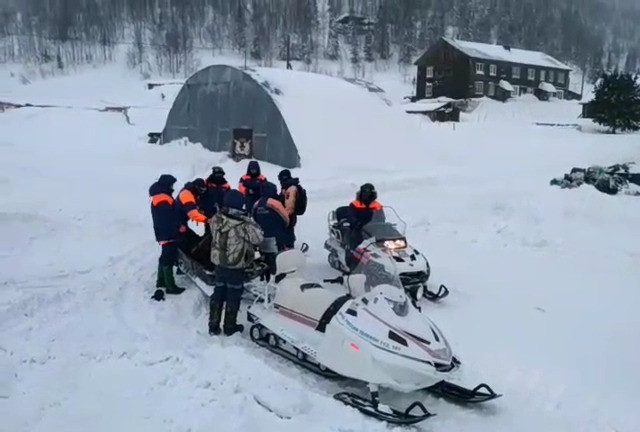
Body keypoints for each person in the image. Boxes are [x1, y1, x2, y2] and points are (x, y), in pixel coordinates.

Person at [208, 189, 264, 336]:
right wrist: (249, 219)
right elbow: (258, 238)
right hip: (236, 264)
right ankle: (229, 326)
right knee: (233, 294)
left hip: (219, 262)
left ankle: (213, 325)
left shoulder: (216, 218)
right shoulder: (243, 224)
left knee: (218, 292)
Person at [148, 174, 185, 298]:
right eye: (171, 184)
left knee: (164, 257)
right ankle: (170, 286)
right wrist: (177, 227)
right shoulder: (163, 198)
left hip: (163, 232)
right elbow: (168, 217)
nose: (173, 187)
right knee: (168, 258)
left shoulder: (158, 196)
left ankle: (161, 281)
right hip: (167, 232)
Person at [252, 181, 289, 281]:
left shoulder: (256, 204)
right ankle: (277, 279)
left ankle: (264, 278)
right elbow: (286, 218)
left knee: (264, 259)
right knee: (277, 260)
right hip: (276, 237)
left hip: (262, 238)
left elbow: (253, 220)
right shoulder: (275, 203)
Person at [346, 183, 383, 270]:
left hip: (372, 229)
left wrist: (382, 224)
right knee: (356, 243)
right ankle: (353, 264)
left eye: (369, 193)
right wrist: (356, 222)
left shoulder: (377, 205)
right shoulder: (355, 204)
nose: (367, 195)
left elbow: (381, 217)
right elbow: (350, 216)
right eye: (365, 193)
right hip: (358, 228)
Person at [176, 178, 209, 253]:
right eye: (201, 190)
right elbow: (192, 213)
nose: (202, 192)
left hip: (182, 220)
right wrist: (207, 220)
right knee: (184, 241)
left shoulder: (193, 192)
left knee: (194, 239)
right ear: (196, 187)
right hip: (176, 222)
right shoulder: (186, 194)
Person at [277, 169, 303, 250]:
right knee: (288, 232)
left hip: (288, 216)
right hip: (289, 215)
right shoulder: (288, 187)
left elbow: (289, 206)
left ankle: (289, 248)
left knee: (288, 232)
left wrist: (284, 217)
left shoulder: (290, 189)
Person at [201, 166, 231, 236]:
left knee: (222, 229)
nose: (219, 176)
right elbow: (201, 194)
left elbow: (229, 196)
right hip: (209, 208)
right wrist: (201, 206)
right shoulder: (207, 183)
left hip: (222, 209)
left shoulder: (226, 185)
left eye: (220, 174)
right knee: (209, 229)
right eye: (217, 174)